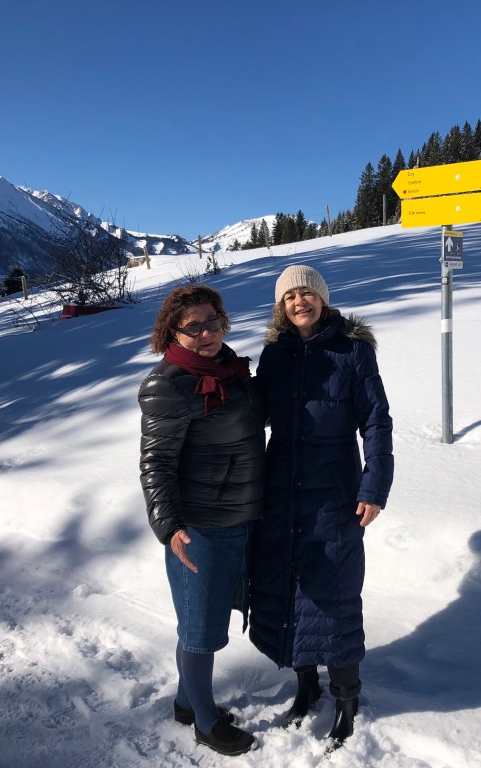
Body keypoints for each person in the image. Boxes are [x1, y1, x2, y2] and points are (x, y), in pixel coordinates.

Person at [249, 264, 394, 751]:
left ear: (322, 299)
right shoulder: (274, 355)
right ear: (280, 307)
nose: (298, 302)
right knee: (291, 589)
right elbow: (254, 416)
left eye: (306, 294)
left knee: (334, 595)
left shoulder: (352, 351)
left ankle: (347, 696)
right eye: (289, 296)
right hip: (281, 494)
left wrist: (374, 486)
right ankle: (305, 684)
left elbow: (376, 421)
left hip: (335, 492)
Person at [138, 284, 263, 757]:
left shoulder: (231, 370)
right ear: (174, 331)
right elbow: (156, 464)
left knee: (200, 620)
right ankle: (206, 723)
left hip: (239, 516)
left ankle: (186, 702)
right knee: (200, 628)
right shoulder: (167, 385)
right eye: (194, 327)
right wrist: (170, 527)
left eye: (213, 322)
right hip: (200, 526)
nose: (207, 333)